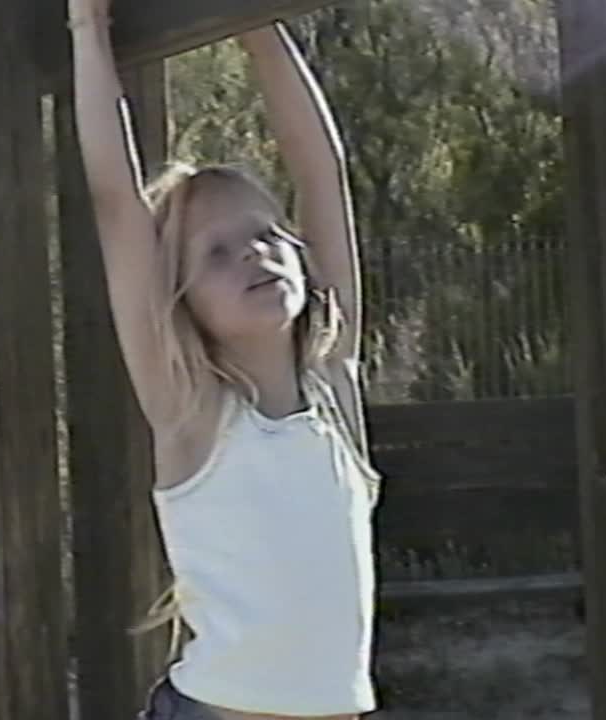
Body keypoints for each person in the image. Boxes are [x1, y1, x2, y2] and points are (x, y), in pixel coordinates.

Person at [68, 2, 382, 718]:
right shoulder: (193, 413)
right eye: (216, 252)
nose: (254, 253)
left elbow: (321, 172)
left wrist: (255, 21)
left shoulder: (335, 391)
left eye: (268, 233)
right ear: (181, 303)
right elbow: (117, 204)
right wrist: (88, 29)